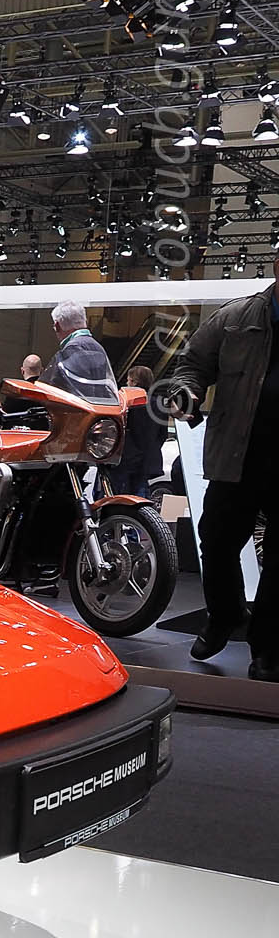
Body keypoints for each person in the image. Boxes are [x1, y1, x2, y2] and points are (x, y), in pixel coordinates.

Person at [167, 264, 279, 679]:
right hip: (238, 454)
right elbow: (192, 365)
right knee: (215, 540)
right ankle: (226, 614)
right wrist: (186, 392)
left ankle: (268, 646)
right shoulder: (234, 318)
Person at [108, 364, 166, 500]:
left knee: (118, 496)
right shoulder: (160, 404)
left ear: (134, 382)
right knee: (141, 495)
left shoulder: (126, 403)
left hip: (125, 458)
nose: (126, 383)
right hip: (148, 458)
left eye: (128, 380)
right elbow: (162, 434)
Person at [40, 300, 117, 398]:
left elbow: (77, 390)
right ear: (85, 321)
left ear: (57, 326)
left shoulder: (72, 349)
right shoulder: (97, 347)